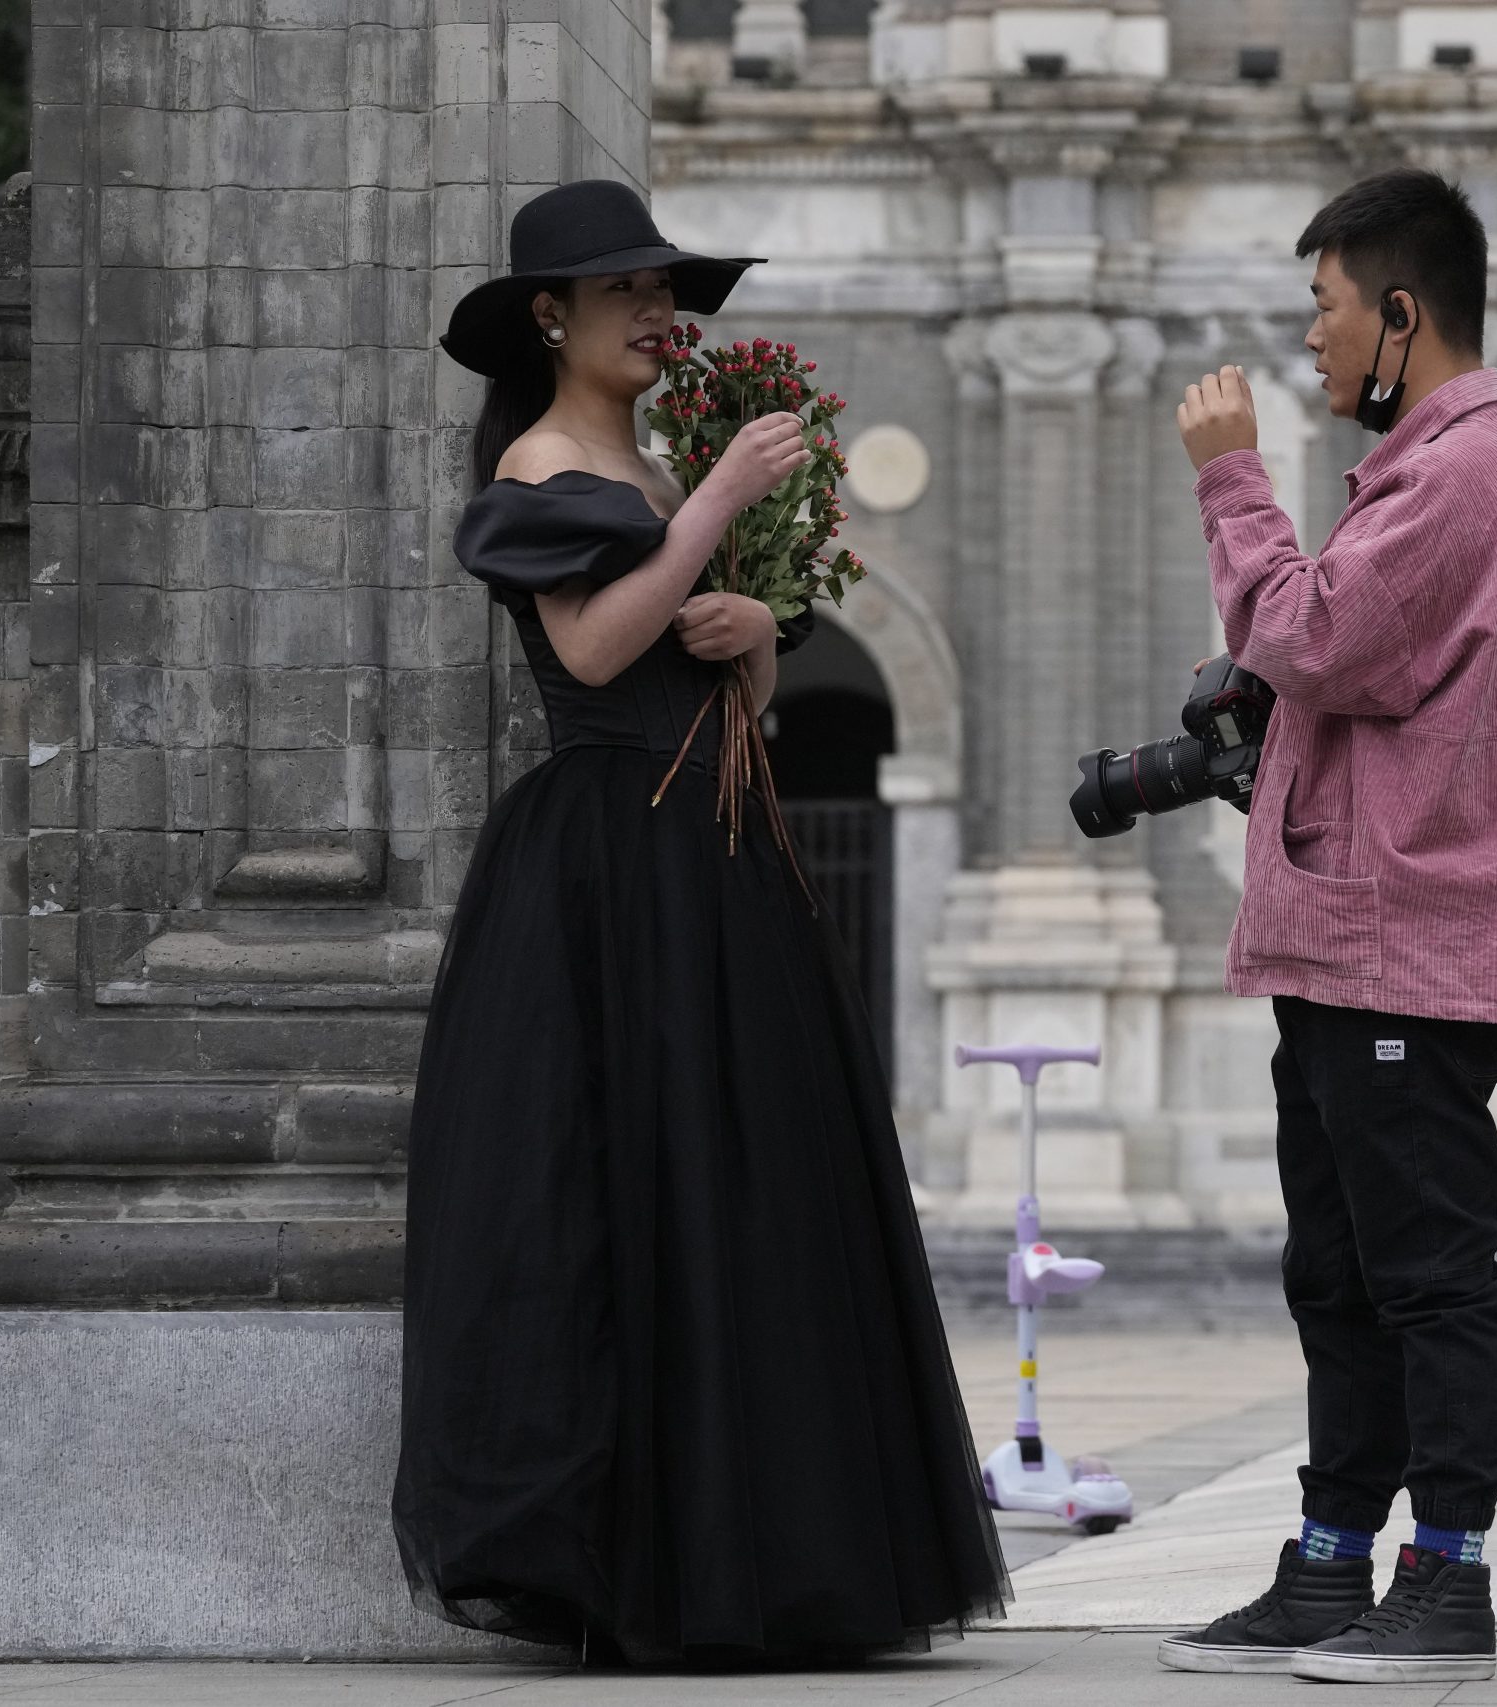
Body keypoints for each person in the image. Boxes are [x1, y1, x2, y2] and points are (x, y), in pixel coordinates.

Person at [391, 180, 1008, 1665]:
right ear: (552, 317)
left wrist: (750, 641)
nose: (664, 318)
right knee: (618, 1193)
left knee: (743, 1185)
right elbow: (596, 645)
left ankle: (772, 1546)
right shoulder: (541, 465)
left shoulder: (660, 471)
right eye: (633, 295)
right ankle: (635, 1559)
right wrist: (720, 508)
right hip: (606, 868)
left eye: (668, 293)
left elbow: (719, 677)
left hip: (716, 859)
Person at [1153, 168, 1497, 1688]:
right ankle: (1336, 1555)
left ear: (1403, 313)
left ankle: (1444, 1572)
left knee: (1430, 1272)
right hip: (1352, 935)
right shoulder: (1422, 471)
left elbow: (1318, 634)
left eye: (1323, 310)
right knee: (1338, 1271)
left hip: (1412, 937)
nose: (1308, 344)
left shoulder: (1465, 474)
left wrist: (1231, 480)